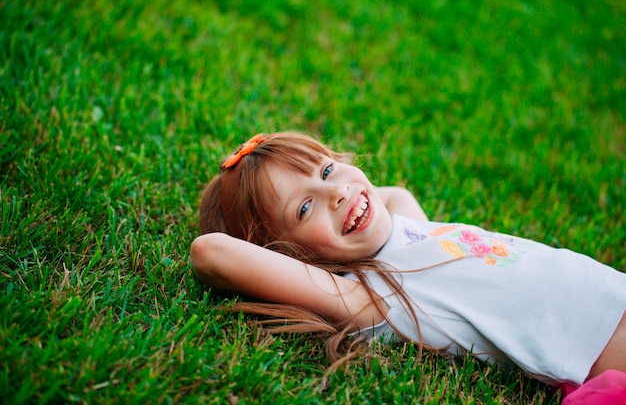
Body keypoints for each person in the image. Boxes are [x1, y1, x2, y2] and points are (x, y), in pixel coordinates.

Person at [191, 132, 626, 401]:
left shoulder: (407, 226)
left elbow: (392, 193)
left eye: (326, 170)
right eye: (305, 208)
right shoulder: (375, 298)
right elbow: (211, 253)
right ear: (291, 257)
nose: (337, 193)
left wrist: (311, 182)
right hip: (607, 349)